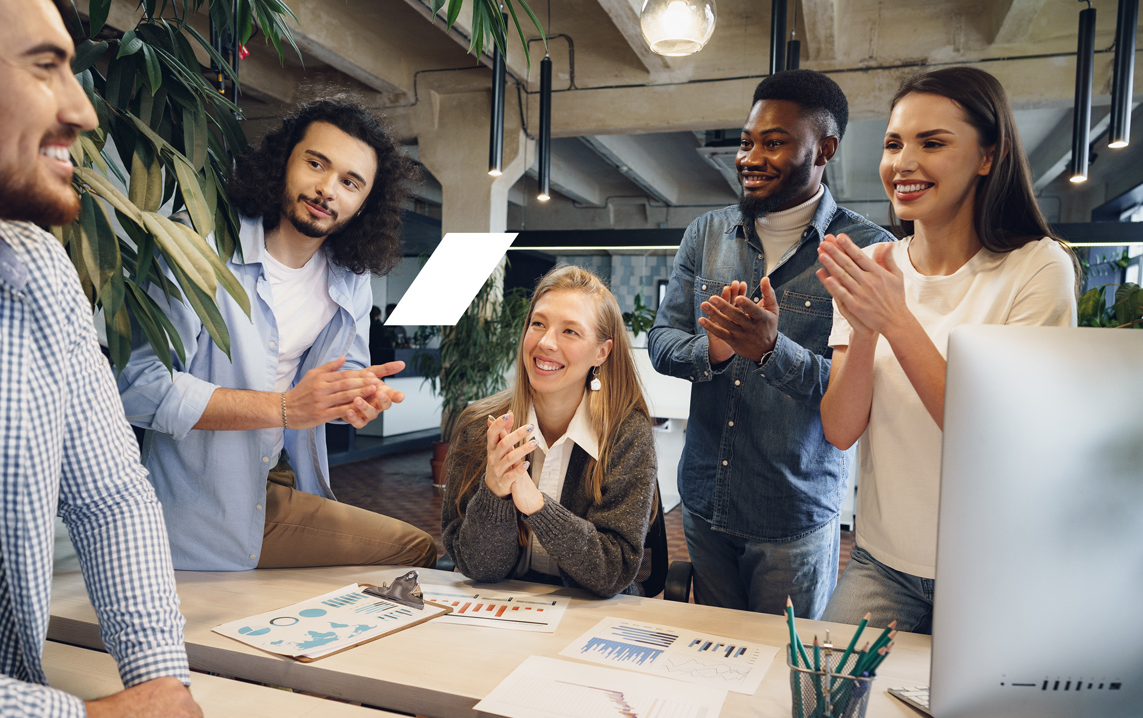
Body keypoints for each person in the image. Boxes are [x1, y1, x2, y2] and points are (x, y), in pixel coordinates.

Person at [0, 0, 304, 718]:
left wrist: (163, 708)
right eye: (43, 66)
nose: (80, 110)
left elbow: (109, 495)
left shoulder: (28, 270)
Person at [117, 98, 437, 571]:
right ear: (285, 160)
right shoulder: (201, 248)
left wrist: (358, 396)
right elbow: (138, 388)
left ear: (365, 203)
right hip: (206, 504)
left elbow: (346, 369)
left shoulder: (349, 277)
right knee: (415, 551)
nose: (328, 189)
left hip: (288, 478)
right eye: (316, 164)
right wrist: (284, 409)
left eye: (350, 183)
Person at [817, 67, 1077, 633]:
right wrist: (865, 327)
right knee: (821, 712)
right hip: (881, 564)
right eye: (893, 143)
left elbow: (1000, 438)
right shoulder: (878, 269)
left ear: (988, 156)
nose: (902, 163)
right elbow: (839, 429)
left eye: (931, 143)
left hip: (994, 569)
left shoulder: (1037, 266)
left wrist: (894, 318)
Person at [648, 70, 894, 616]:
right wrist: (716, 349)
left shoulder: (869, 251)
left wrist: (769, 350)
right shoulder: (707, 235)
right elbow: (663, 340)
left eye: (775, 142)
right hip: (706, 500)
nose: (750, 157)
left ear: (824, 149)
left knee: (784, 673)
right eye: (746, 141)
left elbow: (863, 396)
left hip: (793, 516)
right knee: (713, 658)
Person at [442, 266, 657, 597]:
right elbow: (480, 568)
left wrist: (537, 506)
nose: (545, 343)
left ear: (602, 352)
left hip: (592, 617)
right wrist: (495, 493)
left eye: (570, 331)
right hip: (502, 613)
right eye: (538, 324)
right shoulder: (478, 426)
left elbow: (612, 572)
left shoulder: (626, 435)